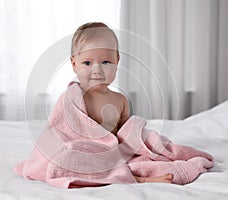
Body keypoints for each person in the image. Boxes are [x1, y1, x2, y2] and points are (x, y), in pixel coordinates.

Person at [70, 22, 173, 184]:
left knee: (150, 148)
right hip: (87, 154)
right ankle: (139, 180)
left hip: (112, 155)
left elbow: (128, 136)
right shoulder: (74, 98)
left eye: (105, 62)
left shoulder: (120, 100)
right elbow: (61, 130)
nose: (97, 70)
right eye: (87, 63)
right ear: (74, 64)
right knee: (70, 158)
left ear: (117, 61)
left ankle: (136, 174)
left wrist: (142, 142)